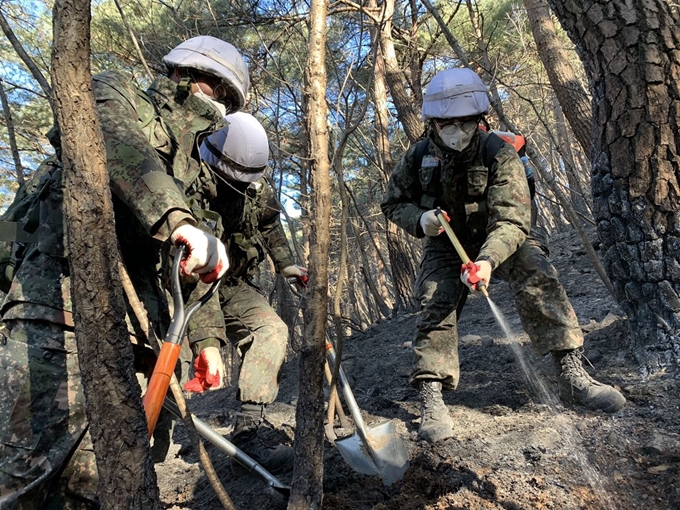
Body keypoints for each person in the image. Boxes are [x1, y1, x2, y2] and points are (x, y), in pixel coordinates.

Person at [0, 35, 249, 509]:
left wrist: (210, 341)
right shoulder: (114, 92)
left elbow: (190, 270)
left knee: (101, 489)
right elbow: (113, 142)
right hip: (57, 324)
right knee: (22, 483)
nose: (217, 111)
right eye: (217, 95)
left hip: (135, 345)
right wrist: (178, 219)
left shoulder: (191, 173)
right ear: (188, 78)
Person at [380, 67, 625, 444]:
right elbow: (393, 203)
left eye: (465, 122)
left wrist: (488, 261)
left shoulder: (500, 154)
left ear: (479, 119)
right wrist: (420, 219)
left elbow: (513, 220)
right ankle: (432, 395)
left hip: (501, 240)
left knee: (536, 269)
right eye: (447, 123)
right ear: (434, 122)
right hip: (446, 245)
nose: (456, 130)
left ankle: (573, 375)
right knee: (435, 299)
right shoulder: (418, 157)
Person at [192, 111, 306, 473]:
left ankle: (248, 432)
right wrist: (207, 338)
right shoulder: (188, 183)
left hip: (232, 285)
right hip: (185, 288)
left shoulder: (256, 185)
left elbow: (270, 223)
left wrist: (286, 264)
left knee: (272, 330)